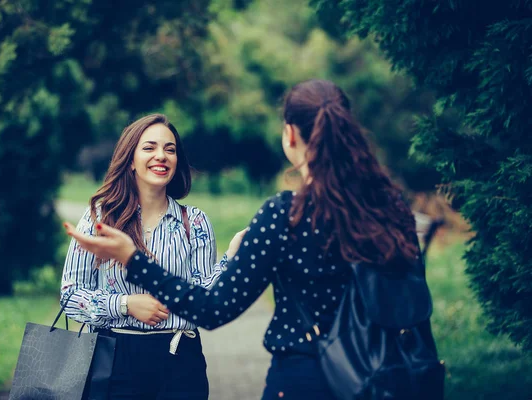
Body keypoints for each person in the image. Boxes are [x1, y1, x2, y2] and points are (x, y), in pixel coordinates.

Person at [65, 80, 424, 399]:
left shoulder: (286, 215)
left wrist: (134, 259)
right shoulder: (393, 207)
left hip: (303, 378)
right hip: (388, 375)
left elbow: (212, 308)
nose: (161, 156)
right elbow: (414, 302)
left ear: (290, 136)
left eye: (170, 148)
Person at [60, 113, 229, 400]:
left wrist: (230, 260)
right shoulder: (100, 219)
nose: (161, 156)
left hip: (180, 360)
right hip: (112, 360)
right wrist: (125, 304)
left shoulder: (196, 223)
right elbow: (70, 295)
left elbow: (203, 301)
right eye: (149, 148)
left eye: (170, 149)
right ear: (130, 160)